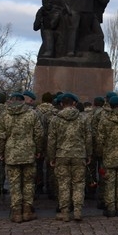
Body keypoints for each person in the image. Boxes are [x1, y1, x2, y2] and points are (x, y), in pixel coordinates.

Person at [0, 92, 44, 223]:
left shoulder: (4, 115)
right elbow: (39, 134)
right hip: (28, 153)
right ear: (23, 102)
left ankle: (16, 211)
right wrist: (38, 150)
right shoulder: (32, 114)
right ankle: (27, 210)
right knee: (28, 183)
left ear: (10, 101)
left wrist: (0, 152)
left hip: (11, 154)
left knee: (14, 183)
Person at [47, 93, 92, 221]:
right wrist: (88, 154)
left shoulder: (55, 119)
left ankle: (65, 212)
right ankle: (78, 211)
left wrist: (52, 157)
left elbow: (51, 141)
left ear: (61, 104)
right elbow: (88, 138)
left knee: (63, 184)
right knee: (78, 183)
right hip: (79, 154)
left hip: (61, 155)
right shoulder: (83, 119)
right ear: (74, 103)